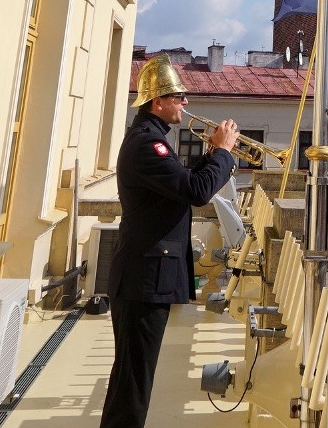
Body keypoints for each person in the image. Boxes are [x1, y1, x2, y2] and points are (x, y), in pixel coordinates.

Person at [100, 54, 239, 428]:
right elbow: (196, 191)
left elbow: (178, 184)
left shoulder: (152, 139)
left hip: (146, 277)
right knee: (133, 383)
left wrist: (211, 154)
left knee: (132, 378)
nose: (185, 102)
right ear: (157, 102)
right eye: (178, 95)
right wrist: (224, 153)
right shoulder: (149, 144)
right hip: (144, 281)